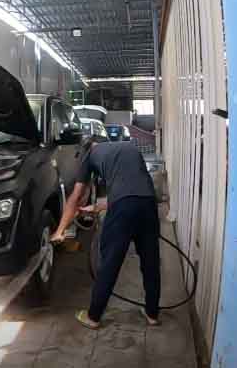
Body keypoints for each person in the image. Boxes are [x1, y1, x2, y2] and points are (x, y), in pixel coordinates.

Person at [50, 138, 161, 329]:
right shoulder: (129, 147)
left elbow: (75, 197)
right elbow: (131, 188)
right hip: (149, 204)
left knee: (110, 262)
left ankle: (93, 317)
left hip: (123, 209)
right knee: (150, 261)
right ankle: (152, 314)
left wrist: (60, 231)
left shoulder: (90, 155)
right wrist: (98, 206)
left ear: (88, 149)